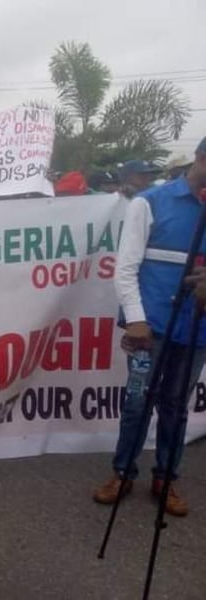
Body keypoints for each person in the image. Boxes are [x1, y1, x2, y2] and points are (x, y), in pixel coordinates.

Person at [93, 137, 206, 518]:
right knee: (138, 402)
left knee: (176, 406)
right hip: (151, 327)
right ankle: (123, 472)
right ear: (201, 159)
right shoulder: (151, 202)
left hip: (197, 330)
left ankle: (166, 477)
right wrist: (136, 319)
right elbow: (126, 267)